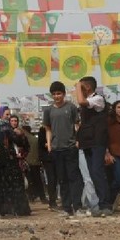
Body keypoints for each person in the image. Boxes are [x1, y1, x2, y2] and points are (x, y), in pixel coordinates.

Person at [43, 81, 84, 217]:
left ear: (64, 94)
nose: (56, 96)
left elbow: (77, 125)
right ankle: (67, 208)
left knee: (74, 177)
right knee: (62, 179)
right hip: (56, 149)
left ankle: (77, 206)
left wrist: (78, 140)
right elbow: (48, 129)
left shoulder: (71, 107)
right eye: (54, 94)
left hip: (71, 147)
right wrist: (49, 144)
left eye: (59, 93)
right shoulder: (48, 110)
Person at [73, 76, 111, 217]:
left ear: (87, 87)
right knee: (91, 174)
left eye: (82, 87)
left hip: (97, 141)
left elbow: (82, 101)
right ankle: (97, 205)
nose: (79, 90)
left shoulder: (98, 99)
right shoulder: (87, 105)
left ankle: (105, 204)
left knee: (97, 171)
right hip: (87, 141)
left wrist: (77, 85)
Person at [22, 125, 47, 205]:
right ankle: (42, 197)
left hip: (27, 162)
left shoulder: (24, 139)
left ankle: (31, 196)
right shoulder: (35, 139)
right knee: (38, 181)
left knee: (29, 181)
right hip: (36, 162)